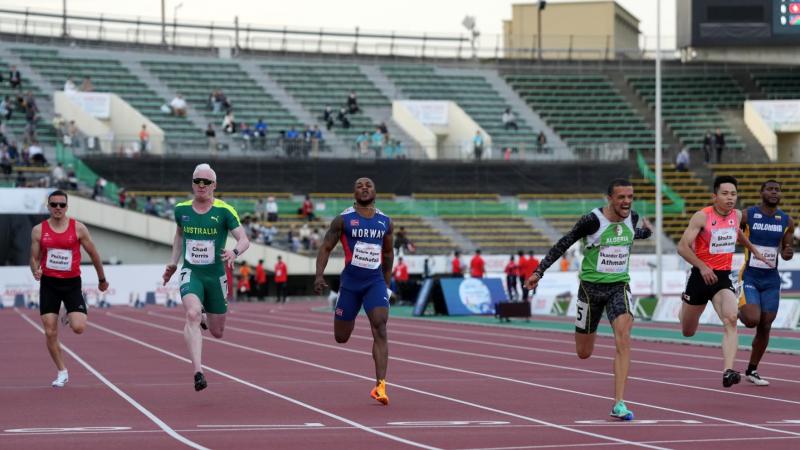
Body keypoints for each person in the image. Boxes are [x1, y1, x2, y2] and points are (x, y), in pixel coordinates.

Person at [525, 179, 653, 421]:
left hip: (619, 286)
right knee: (584, 352)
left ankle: (619, 403)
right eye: (621, 197)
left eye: (630, 197)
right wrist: (539, 272)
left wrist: (647, 231)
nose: (626, 202)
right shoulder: (592, 220)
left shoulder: (632, 217)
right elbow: (564, 242)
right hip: (590, 290)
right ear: (609, 198)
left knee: (624, 338)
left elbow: (634, 233)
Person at [161, 164, 250, 391]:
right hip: (192, 272)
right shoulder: (181, 210)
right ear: (192, 183)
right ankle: (198, 371)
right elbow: (179, 235)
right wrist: (173, 262)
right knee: (191, 313)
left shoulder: (224, 211)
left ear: (214, 186)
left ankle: (204, 315)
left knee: (218, 331)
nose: (201, 185)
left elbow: (244, 239)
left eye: (206, 182)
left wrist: (234, 252)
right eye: (197, 181)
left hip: (216, 275)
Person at [676, 175, 769, 389]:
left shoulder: (736, 215)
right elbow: (682, 247)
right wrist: (702, 266)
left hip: (723, 276)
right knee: (688, 331)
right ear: (714, 196)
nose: (730, 198)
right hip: (700, 277)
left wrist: (754, 250)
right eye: (725, 194)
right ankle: (684, 309)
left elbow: (736, 233)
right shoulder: (702, 217)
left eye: (733, 194)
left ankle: (728, 371)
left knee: (731, 318)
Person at [314, 177, 394, 405]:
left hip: (374, 282)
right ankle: (348, 311)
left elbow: (388, 254)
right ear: (354, 192)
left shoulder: (386, 222)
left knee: (380, 326)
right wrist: (319, 275)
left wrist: (386, 286)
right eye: (360, 185)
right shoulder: (344, 219)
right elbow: (326, 247)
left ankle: (380, 386)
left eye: (369, 184)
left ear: (375, 191)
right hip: (350, 284)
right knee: (341, 337)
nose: (365, 187)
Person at [29, 190, 109, 387]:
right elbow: (34, 258)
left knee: (79, 328)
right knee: (49, 331)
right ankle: (62, 371)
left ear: (67, 207)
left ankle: (68, 312)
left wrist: (102, 279)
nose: (57, 208)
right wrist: (35, 270)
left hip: (72, 284)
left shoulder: (78, 228)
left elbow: (94, 254)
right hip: (49, 284)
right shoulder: (39, 230)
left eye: (61, 205)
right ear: (48, 206)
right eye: (54, 204)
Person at [737, 180, 795, 386]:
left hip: (771, 278)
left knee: (765, 324)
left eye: (777, 190)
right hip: (750, 275)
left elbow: (787, 252)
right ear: (761, 192)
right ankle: (736, 307)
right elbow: (732, 233)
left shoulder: (787, 221)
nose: (773, 193)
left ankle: (752, 370)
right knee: (752, 319)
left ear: (780, 194)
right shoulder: (747, 215)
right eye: (770, 189)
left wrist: (788, 252)